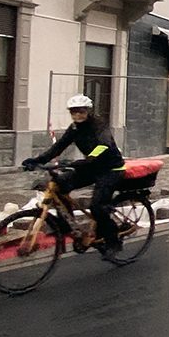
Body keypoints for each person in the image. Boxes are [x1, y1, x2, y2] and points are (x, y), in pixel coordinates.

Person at [22, 94, 126, 260]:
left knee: (97, 207)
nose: (77, 115)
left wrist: (88, 159)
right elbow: (59, 146)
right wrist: (37, 160)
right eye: (73, 112)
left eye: (81, 111)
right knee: (60, 184)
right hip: (90, 167)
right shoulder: (75, 128)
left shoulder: (98, 125)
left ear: (88, 111)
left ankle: (113, 241)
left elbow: (103, 145)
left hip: (110, 169)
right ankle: (70, 227)